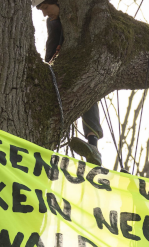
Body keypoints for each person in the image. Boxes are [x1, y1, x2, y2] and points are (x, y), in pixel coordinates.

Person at [34, 0, 104, 166]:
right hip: (62, 68)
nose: (45, 13)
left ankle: (92, 144)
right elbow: (51, 45)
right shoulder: (52, 22)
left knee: (88, 92)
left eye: (46, 7)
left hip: (85, 65)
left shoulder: (79, 12)